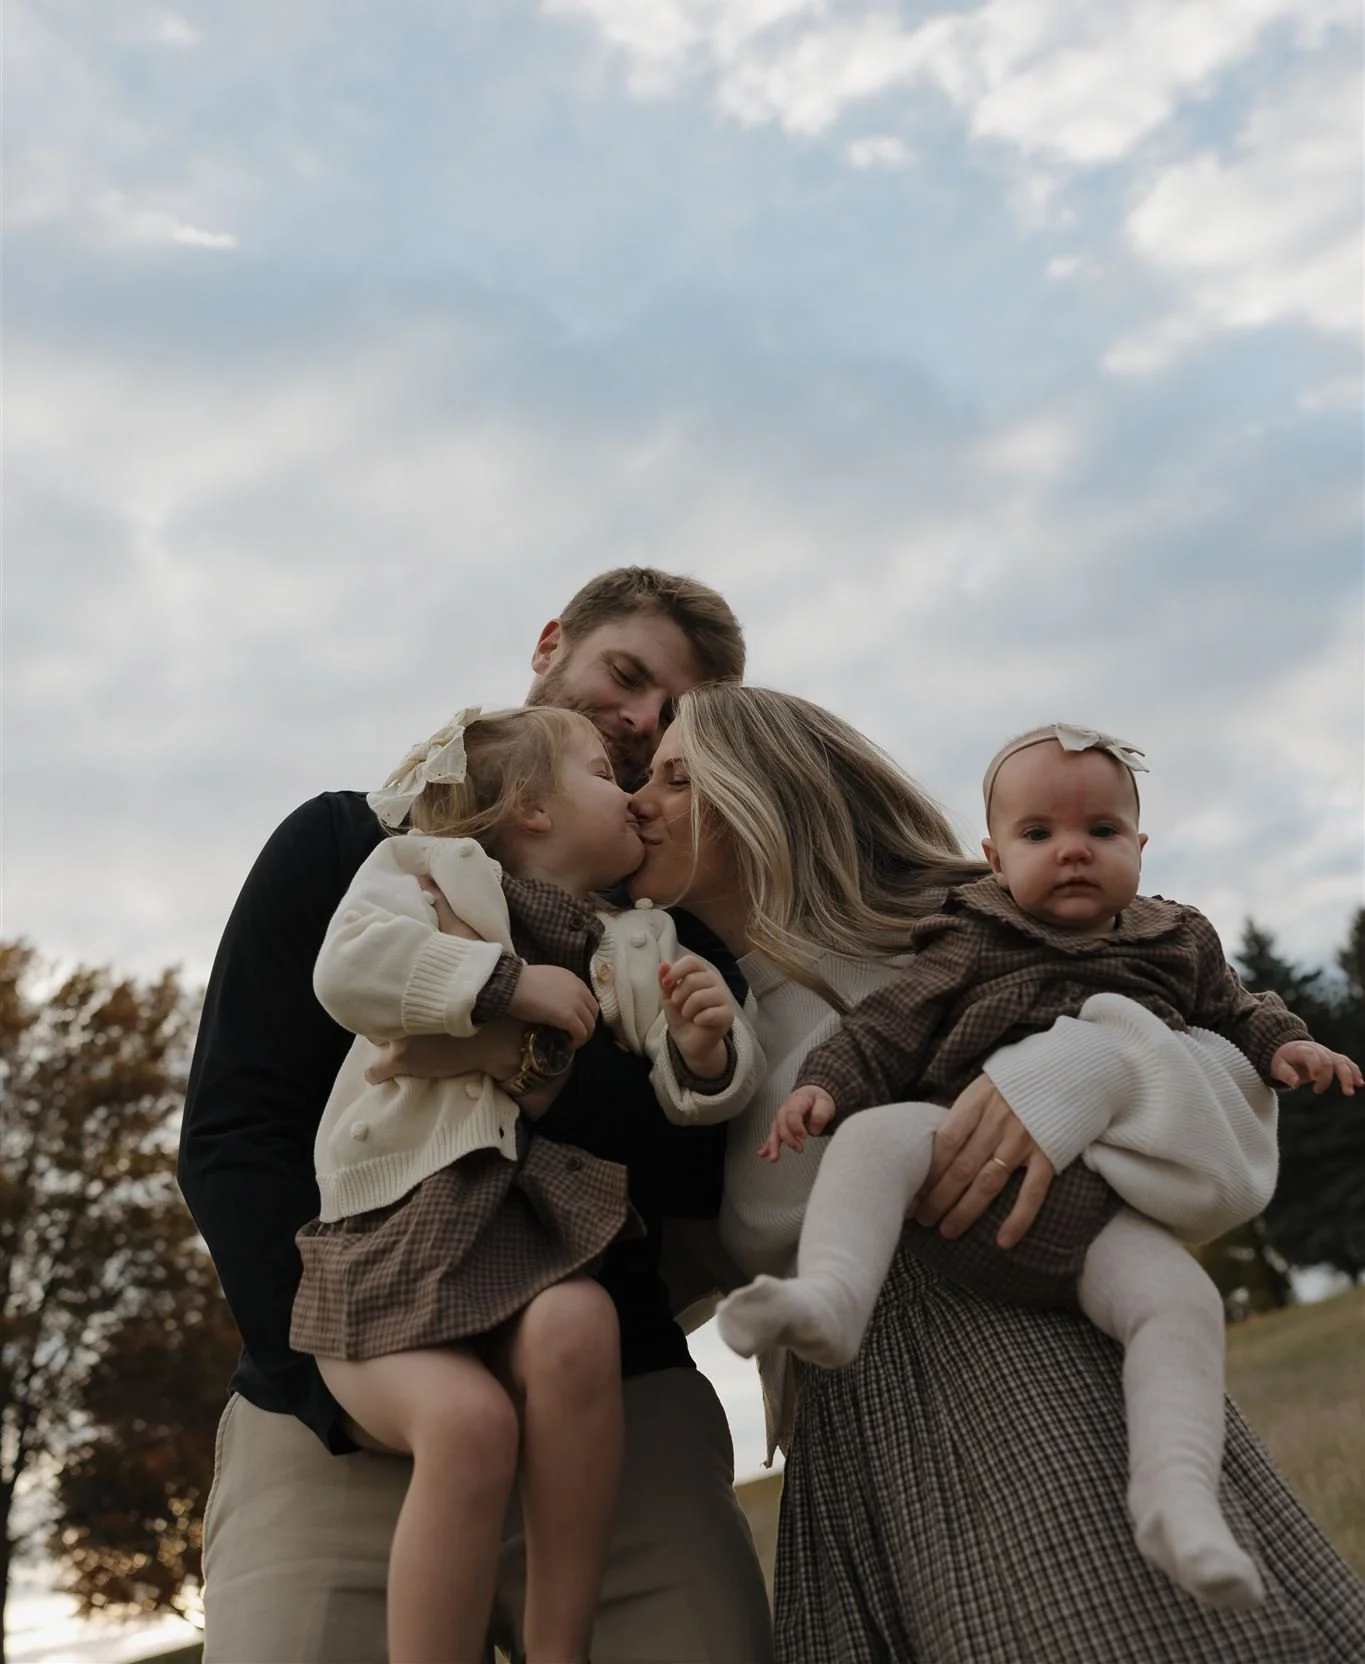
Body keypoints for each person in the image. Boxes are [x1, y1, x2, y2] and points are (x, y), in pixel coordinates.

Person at [628, 684, 1365, 1663]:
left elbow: (1229, 1063)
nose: (643, 800)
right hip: (856, 1425)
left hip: (1029, 1361)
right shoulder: (678, 1027)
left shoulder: (964, 919)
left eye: (678, 778)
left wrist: (1088, 1069)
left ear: (765, 790)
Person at [179, 567, 779, 1664]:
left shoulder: (664, 926)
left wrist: (531, 1059)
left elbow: (695, 1168)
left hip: (609, 1400)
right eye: (625, 674)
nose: (639, 721)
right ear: (554, 640)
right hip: (345, 1393)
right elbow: (234, 1133)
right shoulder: (347, 848)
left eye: (667, 718)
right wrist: (336, 1383)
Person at [293, 702, 762, 1664]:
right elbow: (350, 967)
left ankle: (559, 1647)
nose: (633, 795)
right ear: (532, 810)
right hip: (388, 1227)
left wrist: (706, 1053)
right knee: (464, 1426)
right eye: (604, 772)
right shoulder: (424, 871)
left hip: (535, 1231)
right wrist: (503, 987)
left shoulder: (642, 939)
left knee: (577, 1324)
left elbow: (681, 1109)